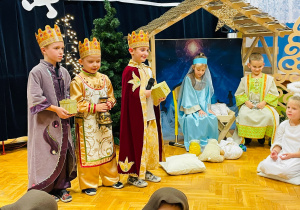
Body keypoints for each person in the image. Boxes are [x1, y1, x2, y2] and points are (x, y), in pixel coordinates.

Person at [27, 24, 76, 203]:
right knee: (46, 153)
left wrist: (70, 108)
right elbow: (35, 98)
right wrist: (55, 109)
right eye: (56, 48)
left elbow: (68, 94)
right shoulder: (36, 72)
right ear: (44, 49)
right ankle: (44, 191)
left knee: (62, 153)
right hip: (45, 124)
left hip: (63, 122)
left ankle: (61, 188)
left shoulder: (64, 72)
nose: (61, 51)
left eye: (62, 48)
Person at [70, 37, 123, 196]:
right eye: (91, 61)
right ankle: (88, 184)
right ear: (81, 61)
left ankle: (111, 178)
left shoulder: (104, 79)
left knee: (107, 149)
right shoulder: (77, 81)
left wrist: (109, 104)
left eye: (98, 61)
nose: (95, 65)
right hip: (87, 125)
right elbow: (76, 104)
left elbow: (112, 97)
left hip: (104, 123)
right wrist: (94, 107)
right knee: (90, 152)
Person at [117, 30, 165, 188]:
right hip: (137, 116)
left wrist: (159, 95)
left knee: (150, 143)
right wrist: (145, 93)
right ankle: (133, 174)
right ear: (131, 51)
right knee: (137, 142)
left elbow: (153, 87)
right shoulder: (129, 71)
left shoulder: (148, 69)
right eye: (142, 50)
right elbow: (132, 94)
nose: (145, 53)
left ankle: (146, 170)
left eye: (147, 50)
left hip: (150, 113)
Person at [234, 53, 279, 145]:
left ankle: (262, 136)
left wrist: (264, 102)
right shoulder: (245, 80)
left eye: (259, 67)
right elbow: (239, 93)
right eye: (254, 67)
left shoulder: (269, 79)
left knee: (269, 116)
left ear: (263, 65)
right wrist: (246, 102)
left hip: (264, 105)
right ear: (249, 65)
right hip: (249, 105)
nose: (257, 69)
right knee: (244, 115)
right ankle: (247, 136)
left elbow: (273, 93)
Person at [177, 53, 218, 151]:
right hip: (191, 108)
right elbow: (189, 95)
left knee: (211, 117)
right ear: (193, 67)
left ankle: (209, 143)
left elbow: (207, 96)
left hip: (203, 107)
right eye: (198, 70)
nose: (200, 72)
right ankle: (195, 143)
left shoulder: (205, 80)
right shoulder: (189, 79)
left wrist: (208, 108)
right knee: (192, 119)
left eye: (203, 70)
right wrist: (198, 109)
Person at [257, 92, 300, 181]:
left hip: (296, 157)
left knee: (286, 171)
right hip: (282, 154)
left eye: (294, 108)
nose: (289, 110)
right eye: (288, 107)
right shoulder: (284, 124)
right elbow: (278, 142)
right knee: (264, 166)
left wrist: (292, 155)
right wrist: (275, 152)